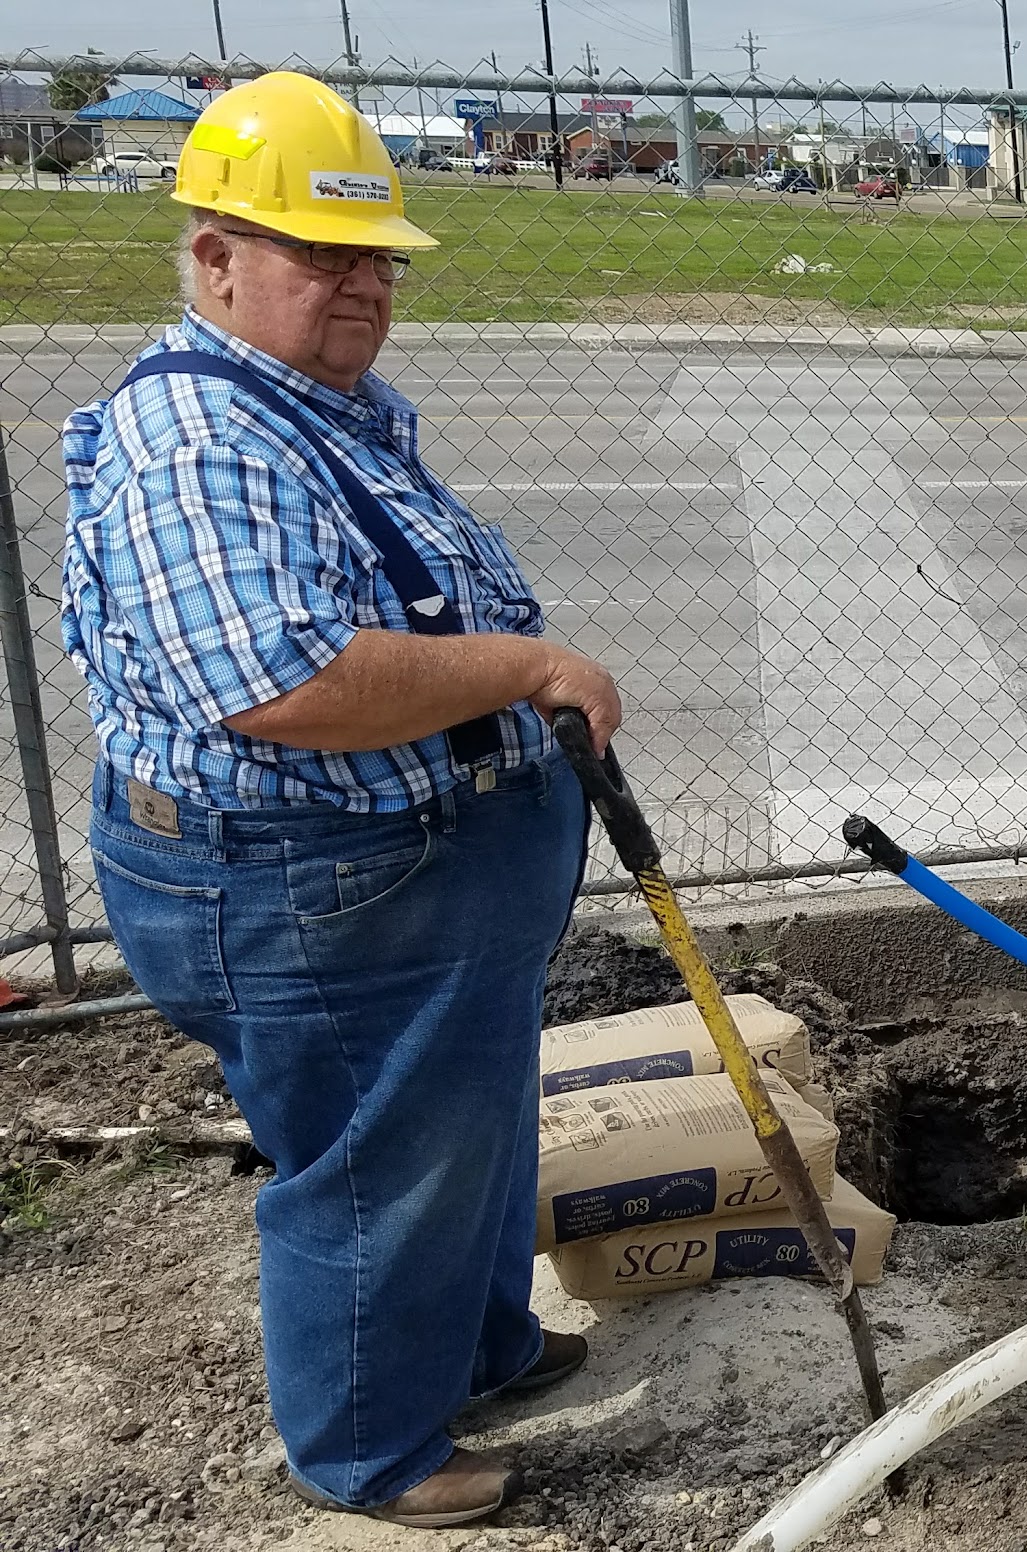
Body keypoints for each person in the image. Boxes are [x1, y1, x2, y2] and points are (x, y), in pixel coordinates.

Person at [60, 72, 622, 1528]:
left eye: (375, 258)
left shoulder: (308, 404)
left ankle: (479, 1349)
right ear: (217, 257)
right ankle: (372, 1447)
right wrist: (532, 664)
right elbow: (286, 686)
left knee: (463, 1124)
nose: (363, 287)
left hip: (403, 872)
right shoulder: (202, 443)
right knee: (382, 1164)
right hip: (313, 882)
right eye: (323, 257)